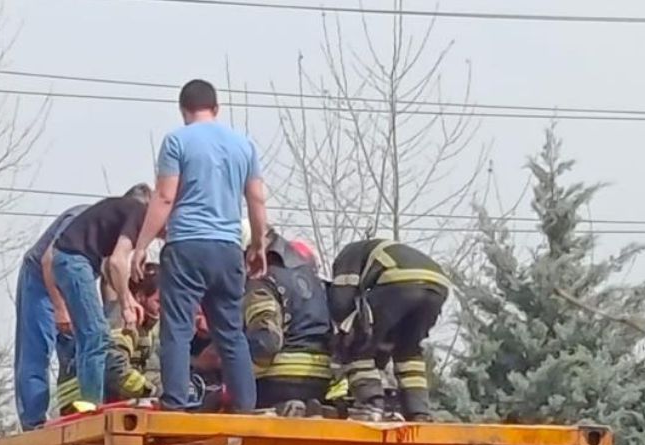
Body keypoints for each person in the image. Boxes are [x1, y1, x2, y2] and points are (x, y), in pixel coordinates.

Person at [130, 78, 269, 414]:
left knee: (177, 328)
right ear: (216, 108)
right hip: (227, 249)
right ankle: (245, 406)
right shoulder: (244, 145)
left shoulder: (177, 141)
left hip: (187, 246)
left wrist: (142, 244)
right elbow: (257, 198)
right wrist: (259, 244)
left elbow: (165, 196)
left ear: (183, 110)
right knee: (230, 331)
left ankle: (175, 402)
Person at [49, 183, 152, 406]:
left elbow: (108, 267)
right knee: (96, 335)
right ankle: (92, 403)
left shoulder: (123, 212)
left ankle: (87, 399)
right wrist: (126, 305)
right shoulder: (139, 212)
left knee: (89, 336)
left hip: (69, 259)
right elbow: (116, 262)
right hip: (74, 260)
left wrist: (128, 297)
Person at [328, 238, 450, 422]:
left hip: (400, 279)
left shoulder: (347, 256)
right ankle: (419, 412)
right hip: (438, 285)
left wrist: (342, 342)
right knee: (408, 351)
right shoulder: (373, 252)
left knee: (357, 343)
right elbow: (383, 332)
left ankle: (371, 405)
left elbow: (341, 302)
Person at [13, 203, 91, 430]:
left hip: (72, 286)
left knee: (78, 350)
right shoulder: (82, 217)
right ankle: (33, 422)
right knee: (37, 351)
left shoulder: (119, 234)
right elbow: (48, 259)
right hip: (40, 280)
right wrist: (59, 307)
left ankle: (72, 413)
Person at [243, 230, 332, 414]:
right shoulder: (316, 280)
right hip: (320, 379)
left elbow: (265, 343)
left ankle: (281, 407)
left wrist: (237, 373)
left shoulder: (262, 280)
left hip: (276, 380)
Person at [56, 263, 162, 411]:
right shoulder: (124, 319)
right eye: (159, 301)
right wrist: (151, 391)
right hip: (81, 400)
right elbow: (114, 368)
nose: (164, 307)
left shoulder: (144, 326)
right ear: (140, 297)